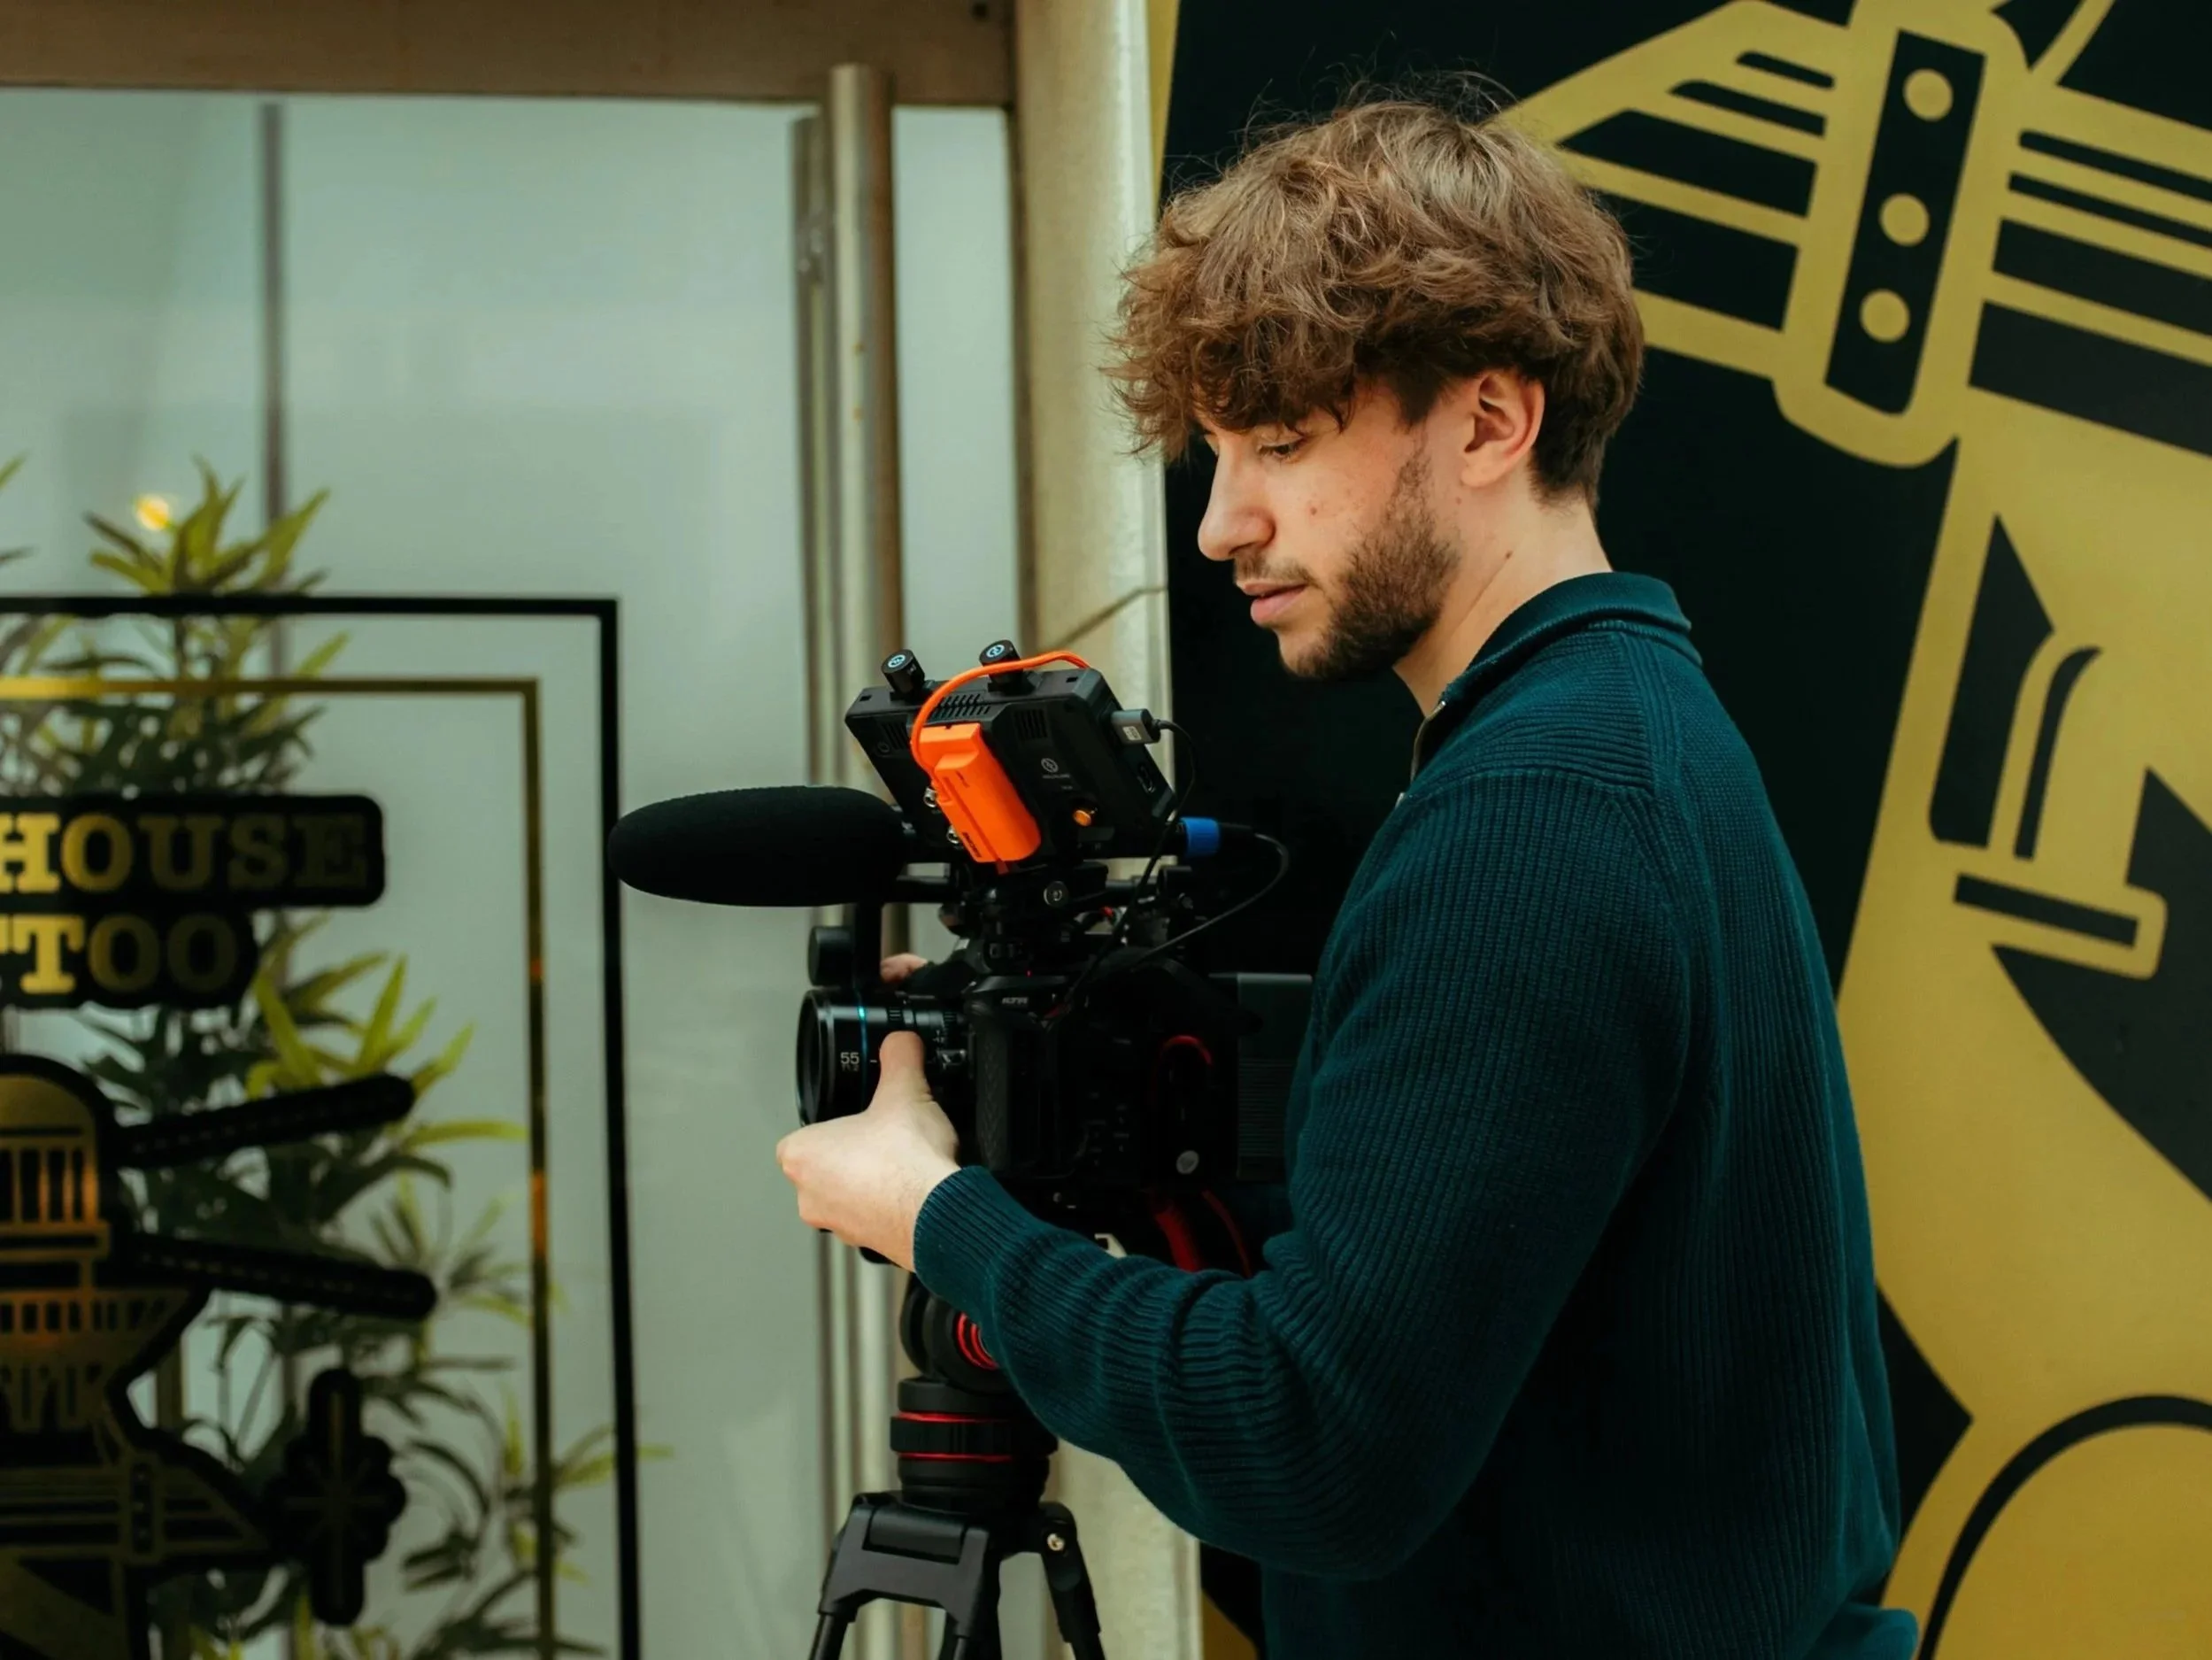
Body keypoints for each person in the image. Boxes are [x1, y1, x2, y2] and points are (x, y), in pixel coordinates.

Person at [775, 95, 1911, 1658]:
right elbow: (1492, 1259)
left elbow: (1313, 1442)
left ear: (1490, 422)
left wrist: (938, 1216)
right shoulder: (1628, 733)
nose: (1223, 521)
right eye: (1218, 451)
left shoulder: (1536, 807)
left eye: (1284, 447)